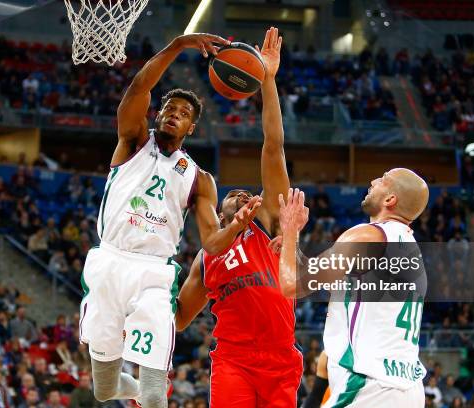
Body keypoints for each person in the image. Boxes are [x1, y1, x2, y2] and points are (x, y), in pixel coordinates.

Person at [79, 32, 262, 408]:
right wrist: (178, 44)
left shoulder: (199, 179)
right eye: (169, 110)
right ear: (157, 114)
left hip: (154, 275)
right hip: (109, 262)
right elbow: (139, 86)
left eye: (183, 114)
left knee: (151, 394)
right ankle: (121, 385)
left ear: (191, 128)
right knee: (103, 390)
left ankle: (151, 391)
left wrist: (237, 225)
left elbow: (212, 243)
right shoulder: (132, 141)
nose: (174, 116)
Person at [175, 28, 303, 407]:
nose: (242, 194)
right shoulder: (207, 256)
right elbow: (180, 318)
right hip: (234, 361)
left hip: (281, 360)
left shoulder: (267, 225)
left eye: (248, 194)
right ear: (218, 214)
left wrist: (267, 80)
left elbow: (273, 145)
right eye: (233, 196)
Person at [278, 168, 430, 408]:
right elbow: (337, 287)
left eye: (382, 179)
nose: (373, 180)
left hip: (368, 386)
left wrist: (289, 231)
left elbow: (291, 285)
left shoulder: (367, 237)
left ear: (390, 199)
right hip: (408, 388)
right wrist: (292, 247)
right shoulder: (409, 248)